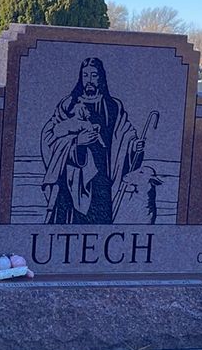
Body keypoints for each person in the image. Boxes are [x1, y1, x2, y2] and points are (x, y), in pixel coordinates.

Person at [40, 57, 145, 224]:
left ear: (101, 77)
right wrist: (76, 143)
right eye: (85, 75)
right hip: (73, 177)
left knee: (100, 221)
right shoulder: (68, 104)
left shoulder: (113, 106)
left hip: (102, 177)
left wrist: (133, 147)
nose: (89, 80)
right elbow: (50, 136)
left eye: (93, 75)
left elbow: (124, 134)